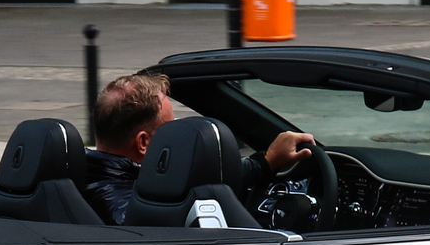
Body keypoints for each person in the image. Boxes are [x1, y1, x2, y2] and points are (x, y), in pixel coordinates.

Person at [82, 70, 317, 224]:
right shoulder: (134, 212)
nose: (175, 134)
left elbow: (197, 180)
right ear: (144, 143)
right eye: (169, 129)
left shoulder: (82, 177)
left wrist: (265, 163)